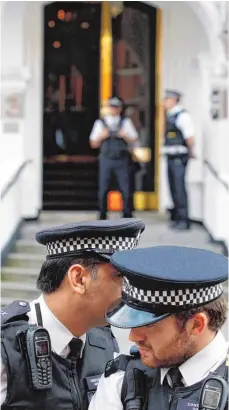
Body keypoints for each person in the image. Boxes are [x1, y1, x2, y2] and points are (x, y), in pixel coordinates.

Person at [1, 218, 145, 409]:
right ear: (78, 279)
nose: (129, 292)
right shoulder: (6, 346)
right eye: (120, 277)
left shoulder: (103, 340)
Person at [89, 245, 228, 410]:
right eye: (134, 323)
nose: (133, 337)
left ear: (197, 325)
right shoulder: (122, 379)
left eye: (149, 324)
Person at [89, 96, 139, 220]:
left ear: (120, 109)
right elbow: (93, 143)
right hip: (106, 159)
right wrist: (102, 136)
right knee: (103, 188)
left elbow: (134, 139)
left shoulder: (125, 122)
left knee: (125, 188)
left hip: (122, 159)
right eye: (111, 107)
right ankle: (102, 214)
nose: (114, 110)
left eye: (116, 107)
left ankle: (127, 214)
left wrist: (125, 135)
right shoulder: (100, 123)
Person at [162, 90, 196, 230]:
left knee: (179, 188)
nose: (164, 102)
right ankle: (177, 216)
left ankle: (183, 219)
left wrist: (191, 151)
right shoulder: (170, 115)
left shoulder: (182, 116)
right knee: (173, 187)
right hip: (171, 155)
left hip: (179, 156)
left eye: (167, 99)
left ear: (173, 100)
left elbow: (189, 137)